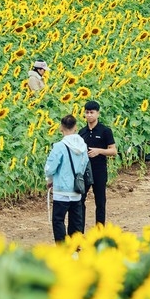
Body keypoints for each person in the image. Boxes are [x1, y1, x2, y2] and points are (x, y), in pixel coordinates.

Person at [44, 114, 89, 243]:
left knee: (58, 220)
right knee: (76, 221)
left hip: (61, 190)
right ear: (75, 127)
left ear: (61, 128)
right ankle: (75, 248)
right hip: (76, 189)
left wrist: (49, 180)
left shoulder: (59, 147)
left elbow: (50, 168)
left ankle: (63, 249)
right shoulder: (83, 146)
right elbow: (84, 164)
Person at [79, 100, 116, 228]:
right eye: (87, 112)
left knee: (100, 202)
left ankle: (99, 231)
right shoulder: (82, 132)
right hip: (84, 171)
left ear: (98, 114)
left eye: (92, 112)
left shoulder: (105, 131)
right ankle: (79, 232)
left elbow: (113, 150)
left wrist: (99, 151)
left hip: (99, 170)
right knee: (80, 200)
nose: (89, 115)